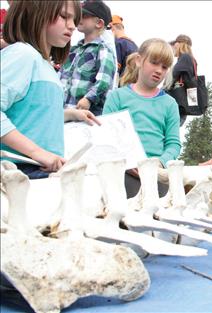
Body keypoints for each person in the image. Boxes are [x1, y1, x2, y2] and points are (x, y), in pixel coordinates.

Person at [1, 0, 100, 179]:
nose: (72, 26)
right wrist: (36, 152)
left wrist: (71, 114)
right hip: (17, 171)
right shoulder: (23, 55)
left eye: (74, 20)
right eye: (64, 16)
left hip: (40, 169)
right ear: (35, 13)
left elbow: (34, 114)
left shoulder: (46, 65)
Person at [103, 38, 181, 198]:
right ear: (139, 60)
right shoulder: (117, 97)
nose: (159, 70)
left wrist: (158, 163)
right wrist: (127, 160)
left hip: (156, 179)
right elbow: (107, 136)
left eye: (164, 66)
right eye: (154, 62)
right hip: (121, 174)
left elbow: (173, 144)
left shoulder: (170, 104)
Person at [59, 0, 116, 116]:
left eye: (84, 15)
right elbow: (61, 75)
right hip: (63, 111)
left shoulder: (103, 50)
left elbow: (104, 80)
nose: (79, 18)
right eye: (78, 15)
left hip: (86, 114)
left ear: (99, 23)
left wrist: (89, 99)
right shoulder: (72, 50)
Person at [169, 34, 197, 126]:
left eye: (175, 44)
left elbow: (172, 77)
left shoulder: (185, 58)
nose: (173, 47)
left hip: (177, 105)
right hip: (181, 105)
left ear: (180, 44)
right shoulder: (189, 59)